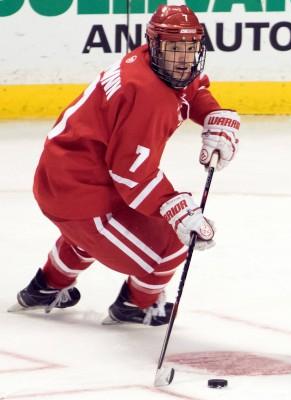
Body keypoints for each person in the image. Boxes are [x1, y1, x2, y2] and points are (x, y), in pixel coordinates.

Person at [11, 5, 240, 326]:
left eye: (190, 48)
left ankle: (46, 287)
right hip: (81, 192)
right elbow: (130, 173)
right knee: (172, 242)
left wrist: (213, 114)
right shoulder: (148, 95)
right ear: (157, 44)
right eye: (175, 48)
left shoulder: (149, 62)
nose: (184, 58)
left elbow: (191, 86)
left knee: (92, 235)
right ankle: (137, 305)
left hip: (67, 177)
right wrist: (173, 208)